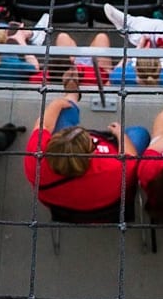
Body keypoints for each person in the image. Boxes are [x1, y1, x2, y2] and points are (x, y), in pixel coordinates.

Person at [24, 90, 151, 220]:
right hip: (111, 206)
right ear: (91, 154)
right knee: (140, 133)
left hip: (63, 209)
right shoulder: (115, 169)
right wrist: (119, 133)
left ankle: (72, 93)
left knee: (61, 113)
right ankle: (72, 94)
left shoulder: (36, 160)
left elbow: (43, 124)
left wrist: (57, 103)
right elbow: (130, 156)